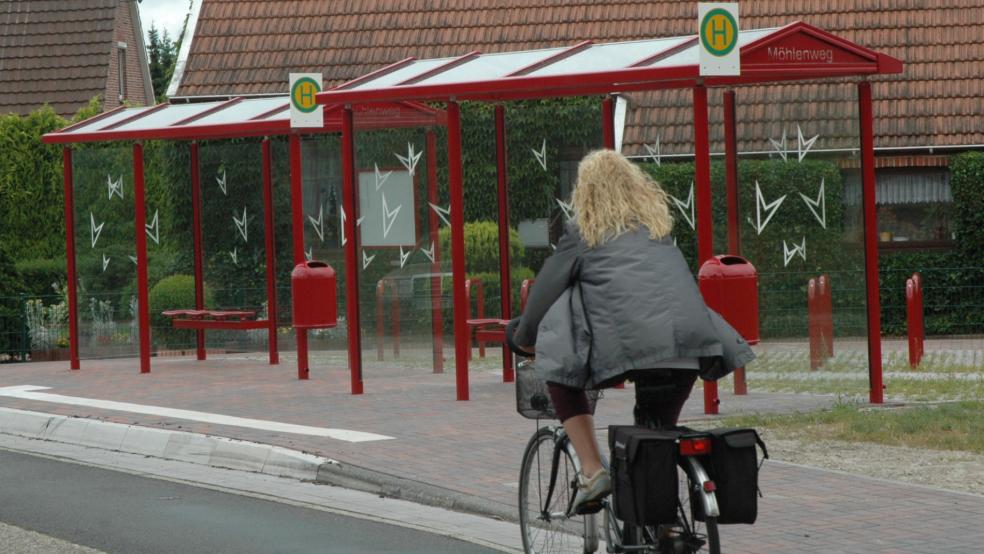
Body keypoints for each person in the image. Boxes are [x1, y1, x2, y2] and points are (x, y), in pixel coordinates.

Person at [511, 149, 754, 515]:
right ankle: (668, 529)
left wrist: (522, 338)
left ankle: (592, 472)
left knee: (560, 375)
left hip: (631, 350)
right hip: (691, 349)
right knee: (654, 440)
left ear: (586, 193)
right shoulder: (658, 231)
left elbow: (544, 295)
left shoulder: (583, 234)